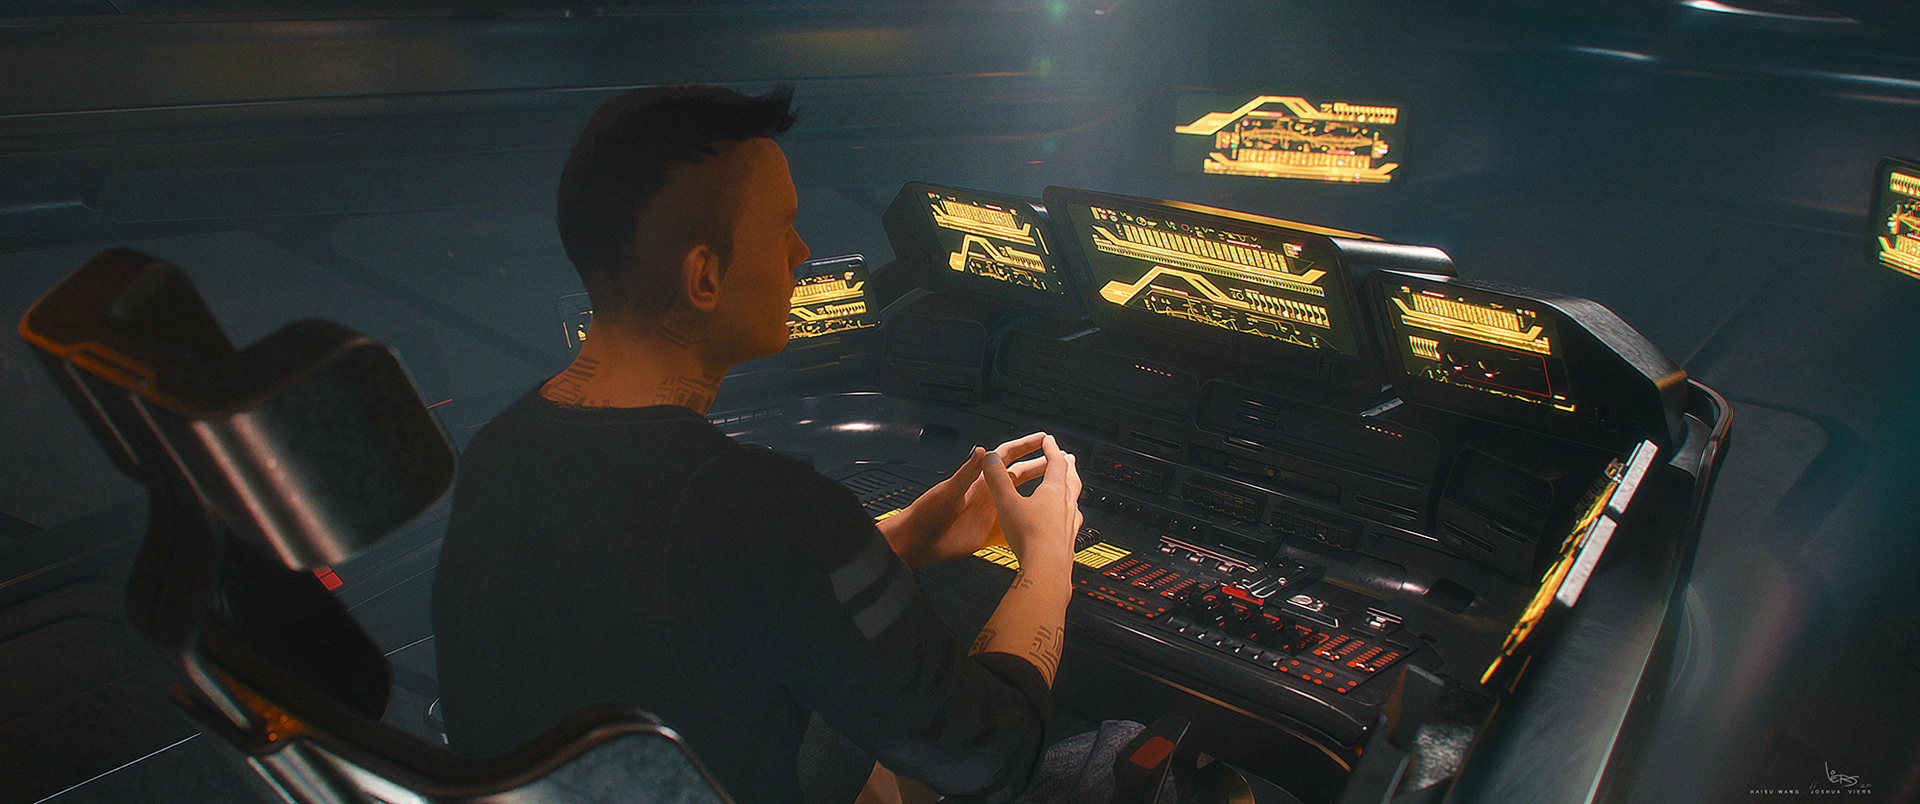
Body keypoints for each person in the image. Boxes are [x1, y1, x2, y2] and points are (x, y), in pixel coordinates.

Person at [431, 84, 1085, 804]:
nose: (802, 254)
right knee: (1119, 754)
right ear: (705, 277)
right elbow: (995, 755)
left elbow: (684, 599)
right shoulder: (772, 510)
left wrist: (902, 538)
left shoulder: (498, 451)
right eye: (782, 229)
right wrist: (1048, 554)